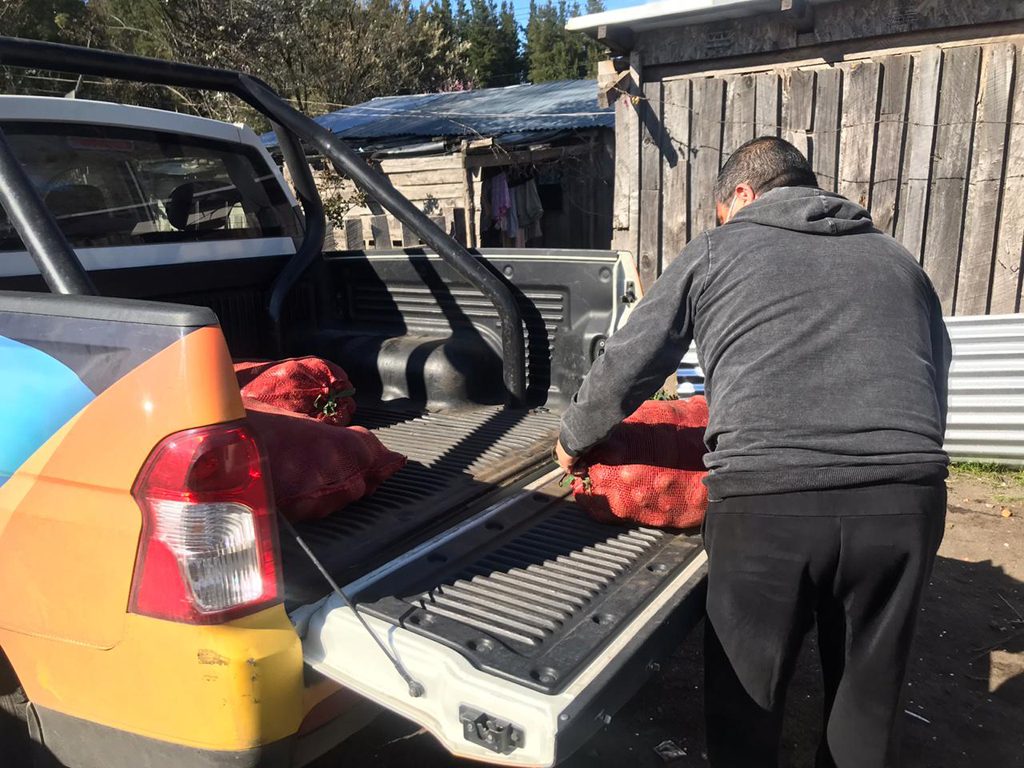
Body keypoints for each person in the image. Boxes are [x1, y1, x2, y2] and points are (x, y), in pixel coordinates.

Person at [554, 137, 950, 768]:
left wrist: (575, 436)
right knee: (868, 699)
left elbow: (632, 358)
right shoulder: (899, 260)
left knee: (747, 705)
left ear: (741, 194)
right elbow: (935, 376)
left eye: (721, 212)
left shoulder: (719, 249)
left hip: (767, 504)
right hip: (903, 503)